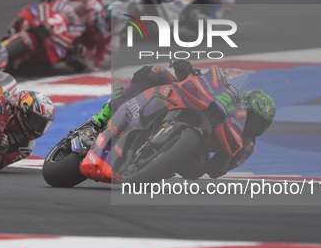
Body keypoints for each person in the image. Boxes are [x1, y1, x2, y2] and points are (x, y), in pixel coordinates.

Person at [88, 59, 275, 179]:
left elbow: (216, 171)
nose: (253, 126)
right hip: (186, 104)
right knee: (157, 71)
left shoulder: (246, 145)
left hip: (196, 148)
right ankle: (104, 116)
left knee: (197, 168)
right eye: (252, 118)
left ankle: (157, 161)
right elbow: (204, 83)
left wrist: (228, 153)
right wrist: (185, 70)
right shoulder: (227, 104)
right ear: (242, 106)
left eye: (260, 125)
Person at [3, 0, 123, 66]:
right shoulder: (93, 6)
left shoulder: (110, 42)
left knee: (45, 65)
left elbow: (97, 63)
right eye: (111, 20)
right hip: (58, 22)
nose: (111, 25)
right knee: (27, 15)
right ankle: (11, 32)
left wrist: (83, 55)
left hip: (65, 47)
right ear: (105, 12)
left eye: (115, 24)